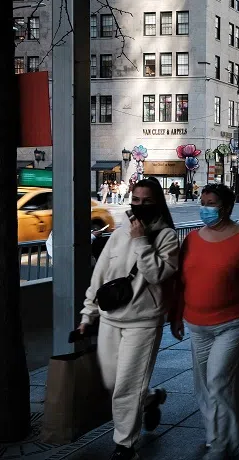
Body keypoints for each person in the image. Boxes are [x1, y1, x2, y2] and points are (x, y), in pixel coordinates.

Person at [169, 183, 239, 460]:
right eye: (202, 201)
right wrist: (176, 315)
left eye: (211, 203)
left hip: (234, 322)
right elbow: (181, 282)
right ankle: (217, 435)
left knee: (218, 380)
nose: (205, 207)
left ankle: (221, 444)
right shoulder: (192, 240)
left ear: (227, 207)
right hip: (196, 323)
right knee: (205, 384)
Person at [78, 179, 180, 460]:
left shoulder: (166, 236)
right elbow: (101, 275)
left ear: (157, 202)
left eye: (147, 201)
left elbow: (157, 274)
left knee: (127, 386)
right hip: (111, 319)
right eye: (136, 199)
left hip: (144, 322)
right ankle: (150, 400)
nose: (140, 206)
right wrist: (88, 314)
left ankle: (124, 445)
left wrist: (141, 241)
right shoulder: (120, 230)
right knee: (113, 382)